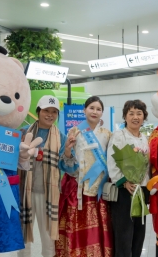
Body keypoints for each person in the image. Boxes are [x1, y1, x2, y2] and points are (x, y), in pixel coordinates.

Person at [55, 96, 113, 256]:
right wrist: (67, 149)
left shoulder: (107, 134)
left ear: (102, 113)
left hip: (98, 188)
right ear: (84, 110)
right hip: (77, 186)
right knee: (76, 226)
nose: (95, 111)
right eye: (91, 108)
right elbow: (67, 161)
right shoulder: (74, 131)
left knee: (98, 227)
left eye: (98, 109)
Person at [18, 95, 73, 257]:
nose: (50, 115)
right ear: (38, 111)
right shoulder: (23, 133)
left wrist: (69, 152)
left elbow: (67, 167)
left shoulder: (61, 138)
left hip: (49, 194)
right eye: (46, 111)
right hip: (24, 192)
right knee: (23, 236)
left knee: (48, 237)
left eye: (54, 112)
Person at [107, 100, 150, 257]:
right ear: (125, 116)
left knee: (139, 233)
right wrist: (124, 181)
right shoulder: (118, 136)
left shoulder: (145, 138)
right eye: (131, 113)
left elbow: (148, 164)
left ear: (144, 117)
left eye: (139, 113)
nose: (135, 117)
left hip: (141, 191)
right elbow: (112, 161)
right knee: (124, 234)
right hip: (124, 192)